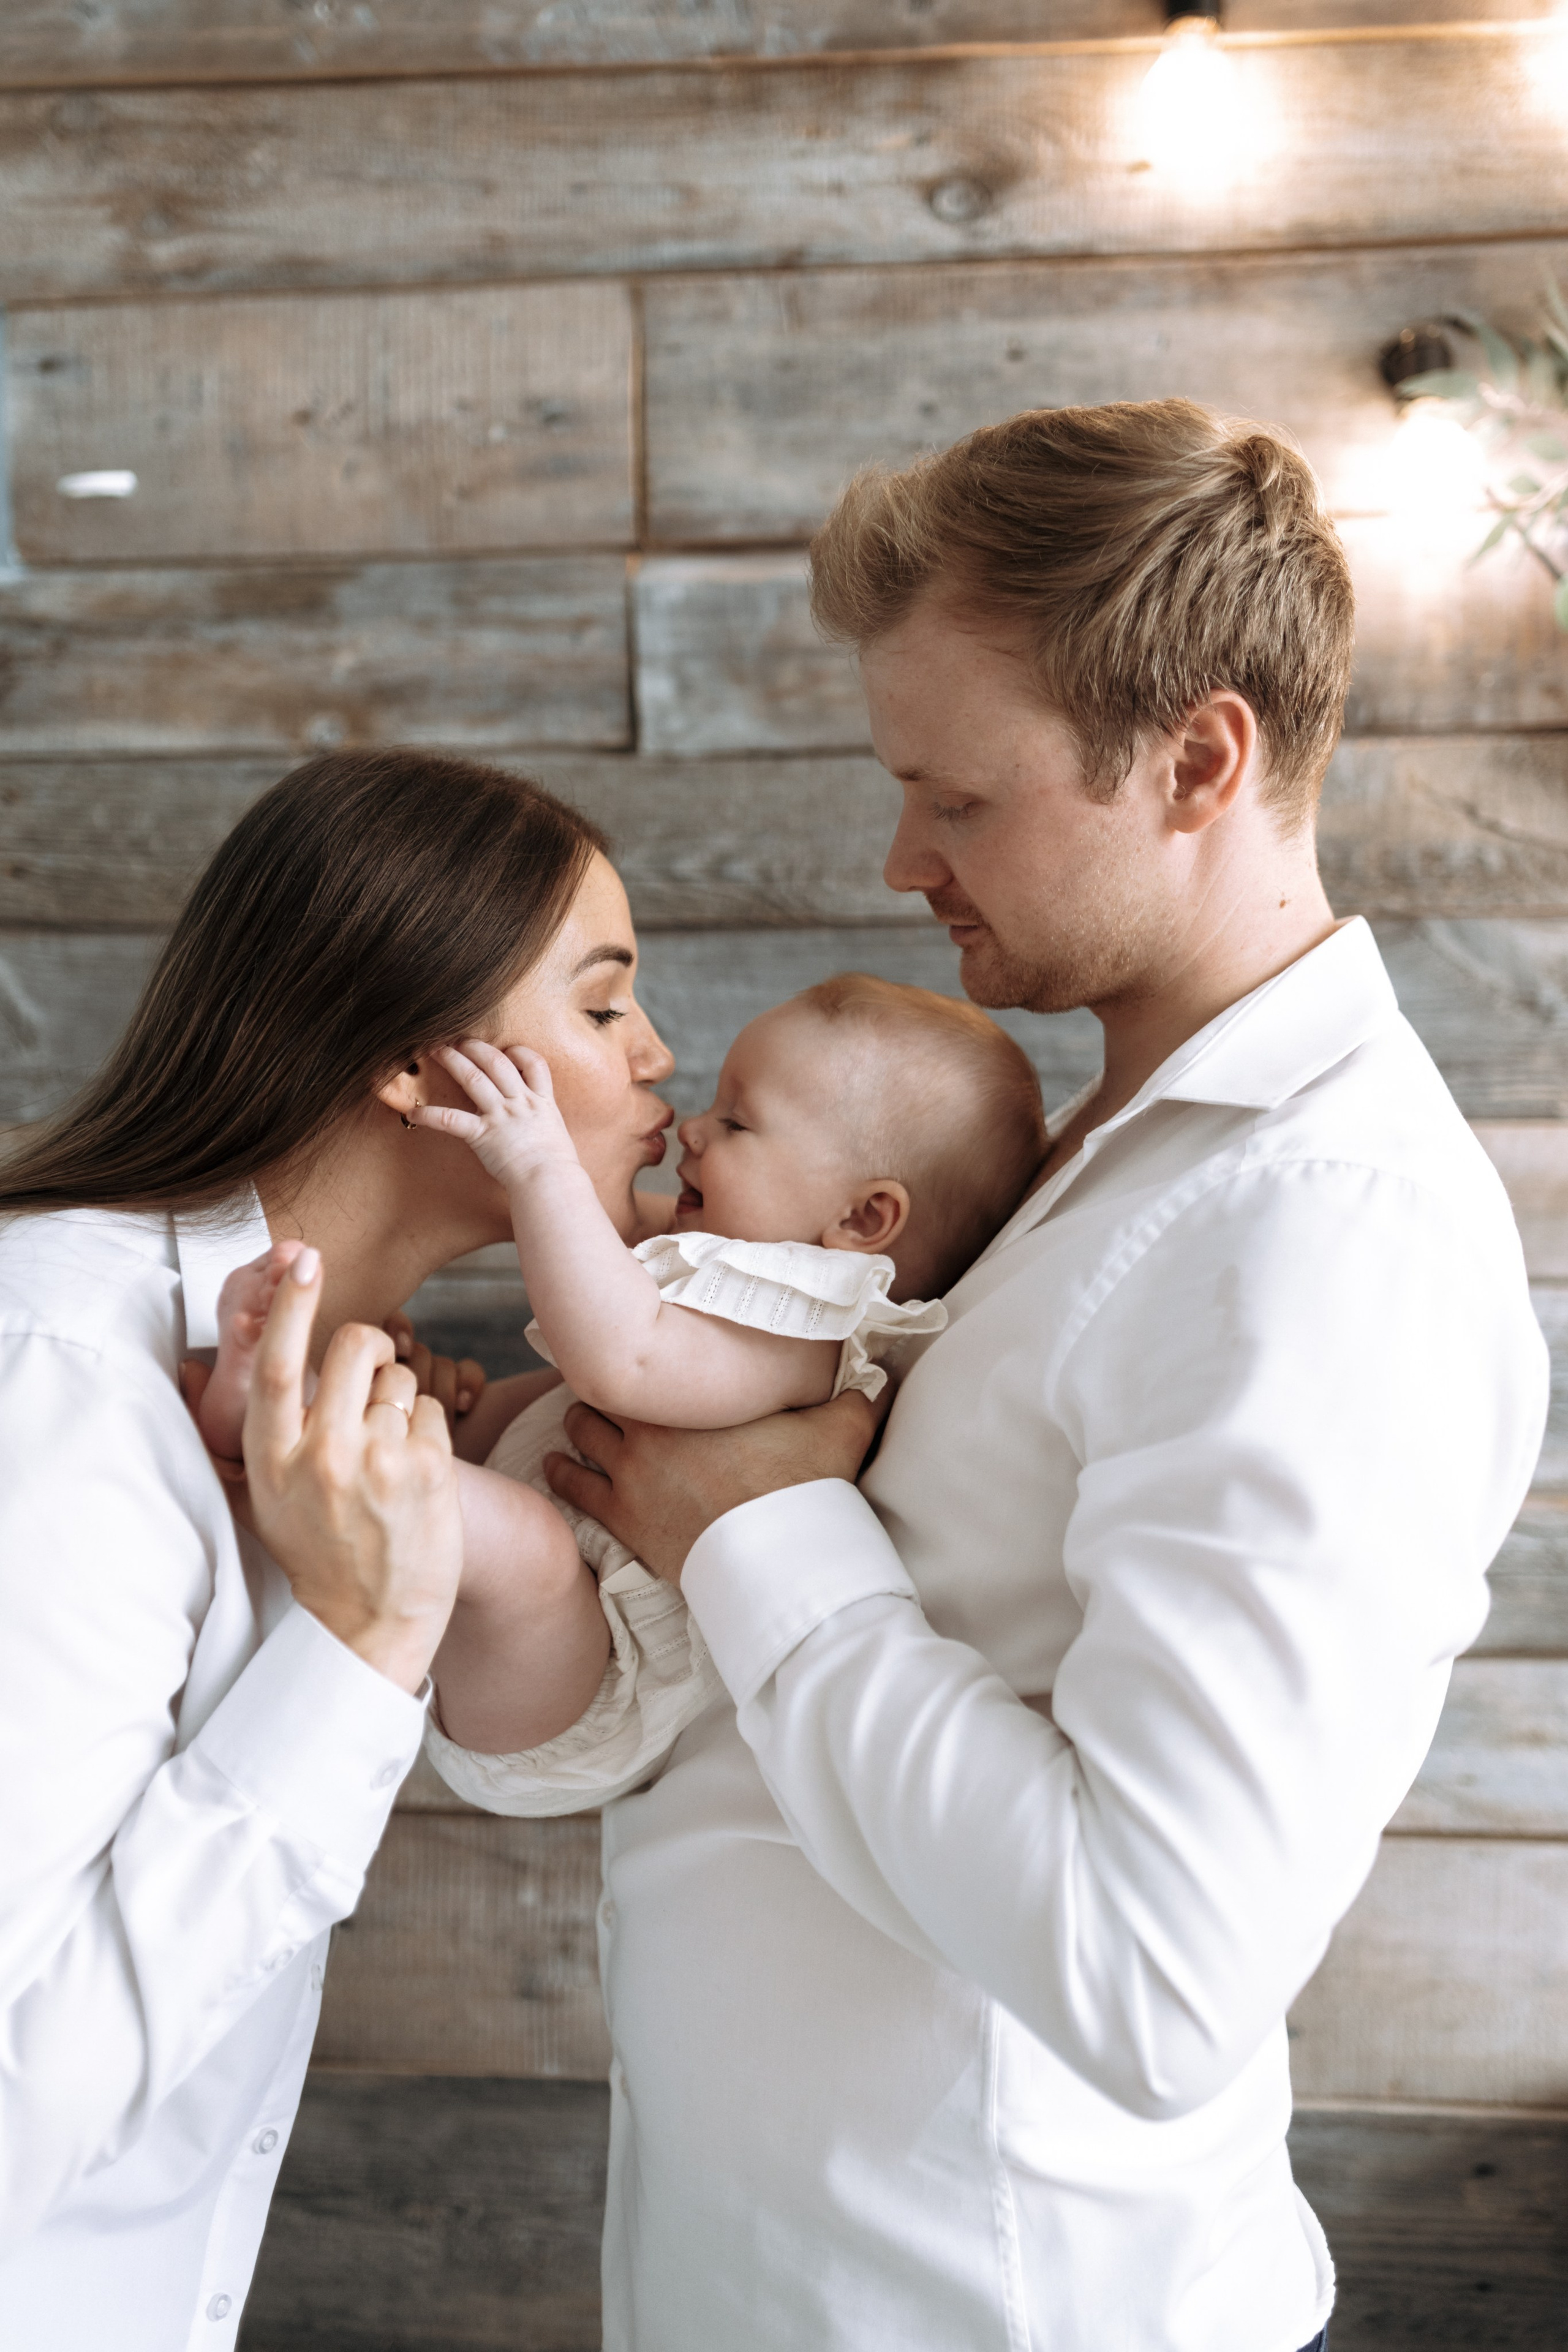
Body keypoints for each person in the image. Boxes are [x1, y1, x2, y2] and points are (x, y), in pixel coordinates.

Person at [426, 402, 1551, 2352]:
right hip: (789, 2270)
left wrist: (754, 1536)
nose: (899, 858)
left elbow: (1152, 1975)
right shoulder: (1095, 1155)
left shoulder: (1323, 1234)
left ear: (1199, 761)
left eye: (959, 799)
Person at [0, 748, 677, 2350]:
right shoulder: (67, 1373)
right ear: (412, 1062)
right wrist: (360, 1647)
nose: (661, 1056)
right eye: (601, 1007)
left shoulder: (342, 1402)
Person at [207, 976, 1042, 1771]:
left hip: (589, 1678)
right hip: (542, 1583)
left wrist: (540, 1163)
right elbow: (597, 1232)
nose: (695, 1131)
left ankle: (286, 1405)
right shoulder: (734, 1254)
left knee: (525, 1538)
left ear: (862, 1218)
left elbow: (623, 1359)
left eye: (739, 1125)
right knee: (451, 1415)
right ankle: (283, 1426)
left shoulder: (812, 1325)